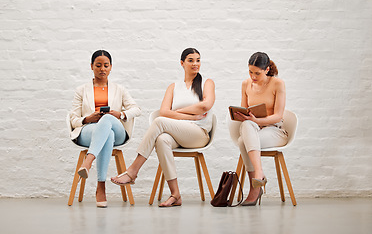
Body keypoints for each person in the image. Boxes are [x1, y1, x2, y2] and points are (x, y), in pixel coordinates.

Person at [111, 48, 215, 207]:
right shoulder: (173, 87)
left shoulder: (207, 82)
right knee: (161, 139)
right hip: (179, 134)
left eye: (198, 60)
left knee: (159, 122)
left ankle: (132, 171)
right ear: (182, 63)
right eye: (191, 60)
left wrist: (179, 112)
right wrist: (190, 115)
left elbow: (205, 106)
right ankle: (175, 195)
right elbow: (165, 112)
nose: (195, 64)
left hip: (198, 134)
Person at [69, 50, 141, 208]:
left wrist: (120, 114)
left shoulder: (119, 89)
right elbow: (73, 119)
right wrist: (88, 119)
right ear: (91, 66)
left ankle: (88, 162)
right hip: (89, 130)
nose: (102, 69)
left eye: (106, 65)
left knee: (108, 119)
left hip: (118, 131)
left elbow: (137, 109)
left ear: (111, 67)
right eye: (98, 65)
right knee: (106, 134)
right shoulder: (81, 90)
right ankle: (101, 187)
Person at [232, 52, 288, 206]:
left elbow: (278, 116)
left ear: (267, 69)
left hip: (275, 130)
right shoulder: (245, 84)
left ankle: (254, 186)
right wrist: (242, 116)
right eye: (250, 72)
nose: (253, 76)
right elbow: (244, 109)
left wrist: (257, 120)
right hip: (255, 129)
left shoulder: (278, 84)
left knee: (243, 142)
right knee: (246, 126)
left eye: (257, 73)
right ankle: (259, 176)